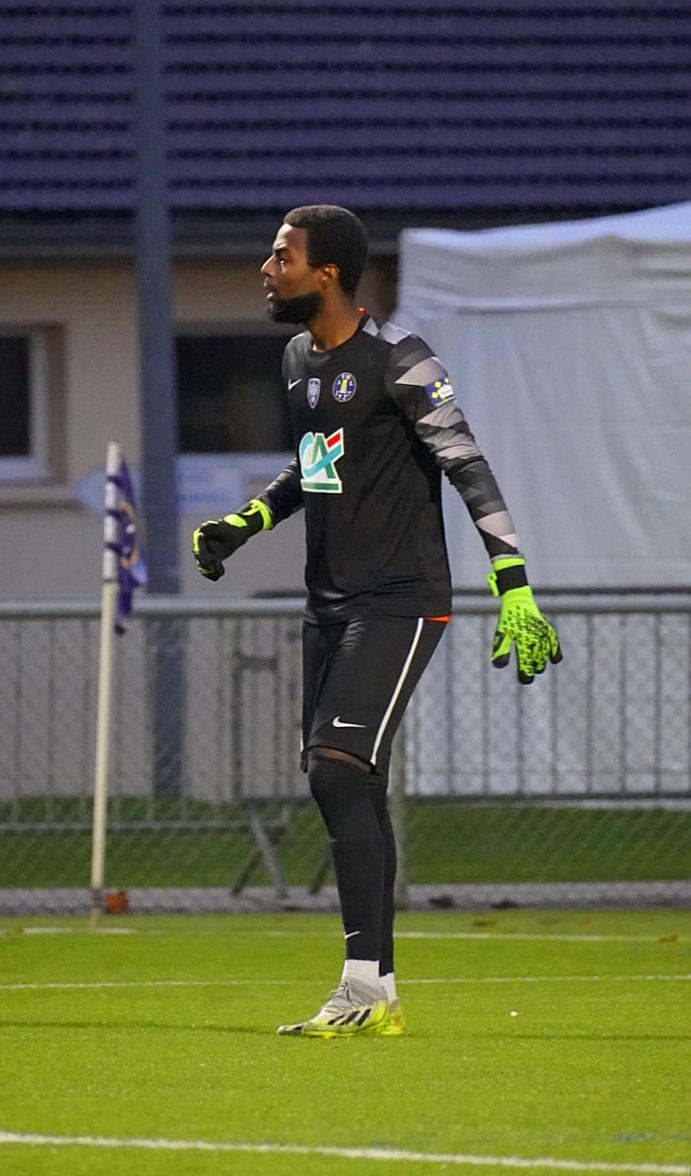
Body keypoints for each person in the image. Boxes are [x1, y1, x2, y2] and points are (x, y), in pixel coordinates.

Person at [192, 205, 561, 1039]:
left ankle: (360, 987)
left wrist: (512, 582)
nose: (266, 269)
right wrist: (244, 523)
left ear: (325, 273)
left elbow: (467, 466)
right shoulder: (297, 360)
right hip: (327, 602)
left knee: (334, 768)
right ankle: (377, 994)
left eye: (281, 256)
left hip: (401, 598)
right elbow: (315, 468)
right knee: (346, 780)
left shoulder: (401, 358)